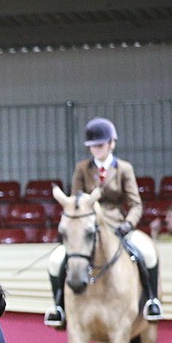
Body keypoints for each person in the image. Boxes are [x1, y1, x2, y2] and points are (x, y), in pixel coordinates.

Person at [45, 117, 161, 327]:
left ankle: (152, 300)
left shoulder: (124, 169)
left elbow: (136, 204)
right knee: (56, 260)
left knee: (147, 253)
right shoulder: (82, 168)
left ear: (111, 144)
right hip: (89, 228)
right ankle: (59, 307)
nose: (96, 149)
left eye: (100, 145)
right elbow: (76, 202)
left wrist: (128, 224)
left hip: (118, 225)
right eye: (93, 146)